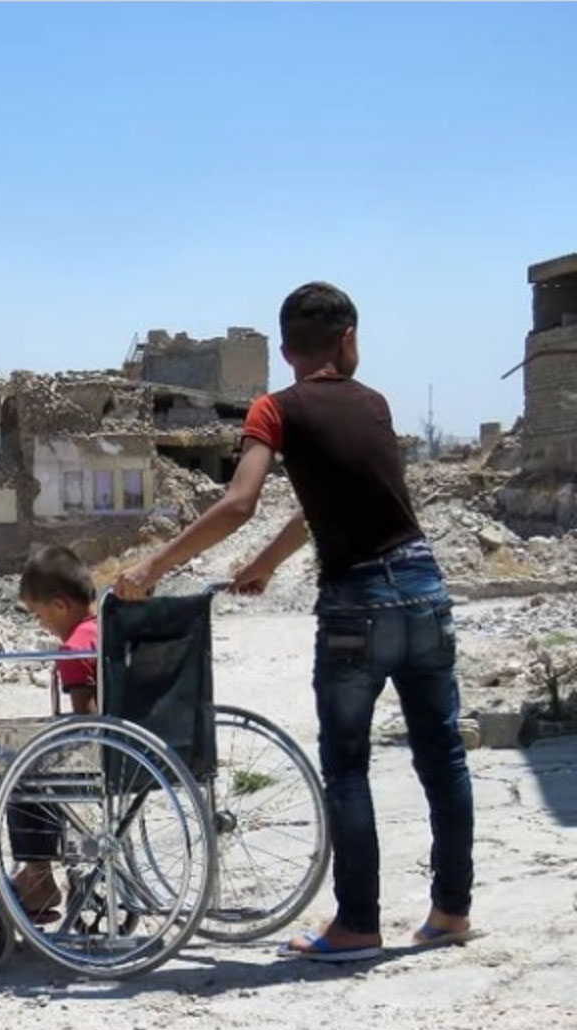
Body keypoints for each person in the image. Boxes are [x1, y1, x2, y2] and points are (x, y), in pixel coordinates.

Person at [114, 281, 475, 963]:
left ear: (285, 352)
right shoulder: (374, 405)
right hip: (423, 587)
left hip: (356, 607)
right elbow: (321, 508)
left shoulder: (274, 410)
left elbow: (239, 500)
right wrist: (267, 564)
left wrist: (153, 568)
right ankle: (451, 911)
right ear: (346, 339)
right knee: (443, 756)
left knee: (347, 768)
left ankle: (358, 925)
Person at [6, 545, 100, 921]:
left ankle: (37, 878)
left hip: (105, 753)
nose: (43, 624)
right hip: (147, 744)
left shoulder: (75, 648)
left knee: (21, 772)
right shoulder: (113, 626)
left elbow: (87, 719)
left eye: (40, 616)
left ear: (59, 606)